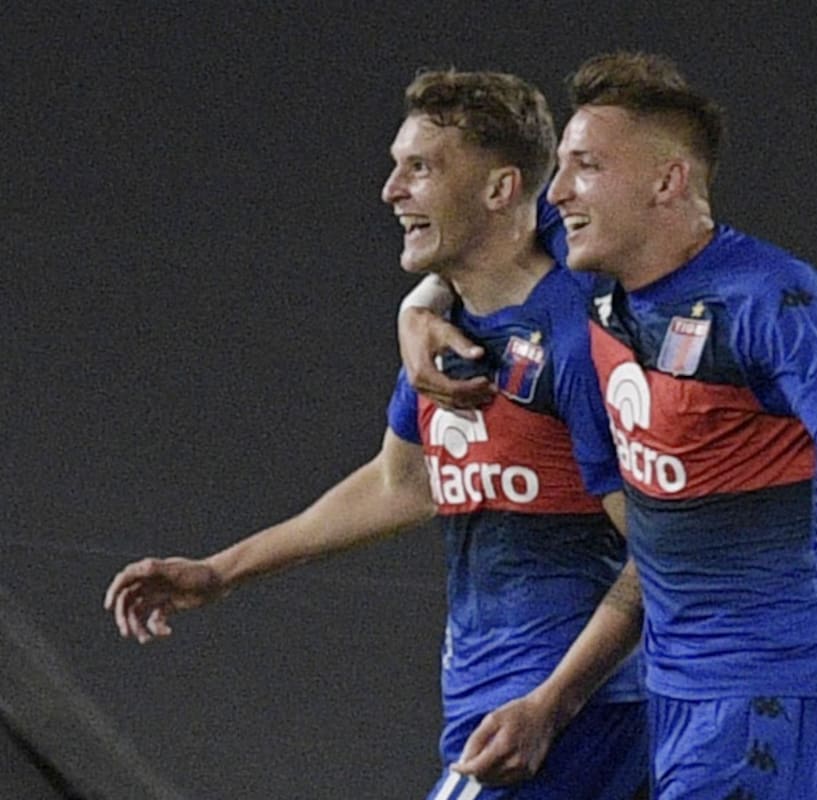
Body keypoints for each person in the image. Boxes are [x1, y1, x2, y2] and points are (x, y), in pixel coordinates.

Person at [397, 52, 817, 800]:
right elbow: (479, 244)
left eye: (585, 166)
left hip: (778, 699)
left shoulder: (770, 301)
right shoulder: (594, 270)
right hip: (679, 705)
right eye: (558, 167)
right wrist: (418, 308)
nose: (557, 192)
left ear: (669, 182)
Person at [103, 68, 649, 800]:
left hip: (571, 723)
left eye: (420, 169)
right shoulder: (445, 339)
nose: (392, 191)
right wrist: (219, 572)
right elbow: (404, 482)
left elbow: (666, 551)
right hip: (506, 717)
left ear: (499, 190)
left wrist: (555, 702)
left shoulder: (578, 341)